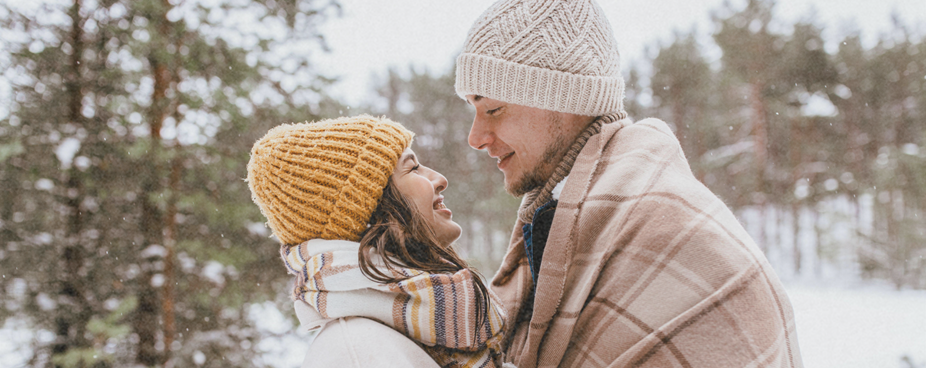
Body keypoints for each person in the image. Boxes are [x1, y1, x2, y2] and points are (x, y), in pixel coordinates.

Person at [454, 0, 804, 367]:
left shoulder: (673, 236)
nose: (475, 137)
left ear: (562, 99)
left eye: (493, 109)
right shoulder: (556, 225)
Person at [246, 115, 506, 368]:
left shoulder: (431, 332)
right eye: (413, 168)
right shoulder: (357, 354)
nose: (440, 179)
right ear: (372, 211)